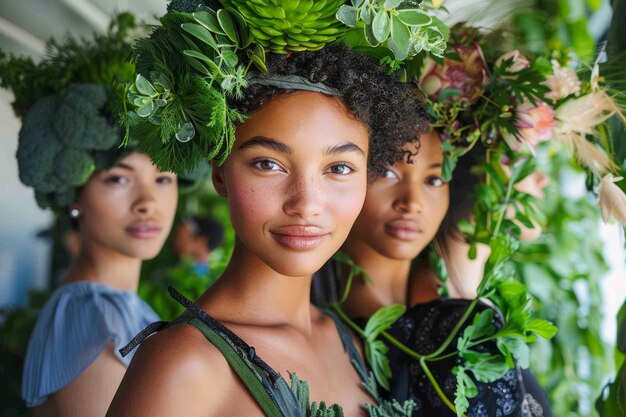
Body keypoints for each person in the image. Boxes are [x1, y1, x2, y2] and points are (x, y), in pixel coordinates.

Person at [105, 2, 428, 415]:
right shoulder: (186, 365)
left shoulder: (356, 342)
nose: (306, 204)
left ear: (369, 173)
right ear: (220, 173)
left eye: (339, 168)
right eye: (268, 164)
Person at [0, 14, 180, 417]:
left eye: (164, 179)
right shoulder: (94, 314)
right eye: (119, 179)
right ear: (73, 195)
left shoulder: (117, 308)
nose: (147, 201)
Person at [312, 130, 552, 417]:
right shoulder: (323, 338)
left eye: (434, 180)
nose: (412, 202)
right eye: (386, 173)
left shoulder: (459, 320)